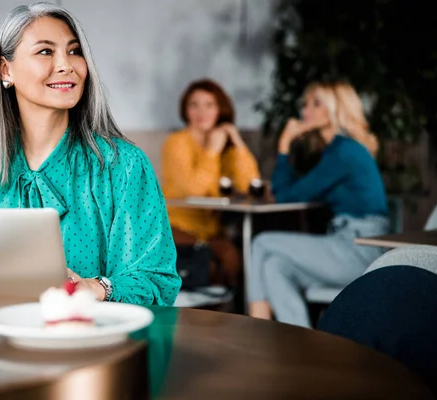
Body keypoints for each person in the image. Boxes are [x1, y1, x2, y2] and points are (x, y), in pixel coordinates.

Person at [0, 2, 181, 306]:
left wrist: (98, 288)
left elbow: (156, 279)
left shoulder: (123, 166)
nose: (66, 65)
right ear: (6, 69)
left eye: (74, 51)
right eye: (45, 51)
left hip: (99, 346)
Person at [247, 81, 389, 327]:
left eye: (316, 103)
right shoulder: (334, 152)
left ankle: (254, 329)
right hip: (343, 242)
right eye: (305, 104)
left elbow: (284, 196)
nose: (306, 111)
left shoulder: (344, 152)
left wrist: (283, 147)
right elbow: (289, 192)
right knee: (274, 266)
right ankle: (302, 350)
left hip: (360, 249)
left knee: (261, 242)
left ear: (335, 109)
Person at [161, 79, 260, 288]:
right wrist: (212, 151)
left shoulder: (224, 143)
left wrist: (237, 142)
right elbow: (193, 190)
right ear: (185, 110)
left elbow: (250, 185)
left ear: (220, 110)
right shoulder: (177, 143)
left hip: (212, 231)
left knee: (237, 257)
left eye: (209, 105)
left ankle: (232, 315)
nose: (201, 112)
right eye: (193, 105)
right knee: (218, 261)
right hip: (177, 228)